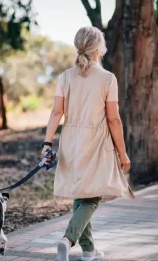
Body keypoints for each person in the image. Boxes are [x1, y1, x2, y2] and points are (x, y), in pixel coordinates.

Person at [40, 26, 135, 261]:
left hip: (71, 142)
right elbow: (113, 119)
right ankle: (67, 239)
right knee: (92, 197)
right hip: (96, 142)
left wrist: (47, 143)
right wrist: (123, 153)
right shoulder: (107, 79)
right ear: (99, 48)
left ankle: (89, 250)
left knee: (82, 193)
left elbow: (56, 112)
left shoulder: (65, 77)